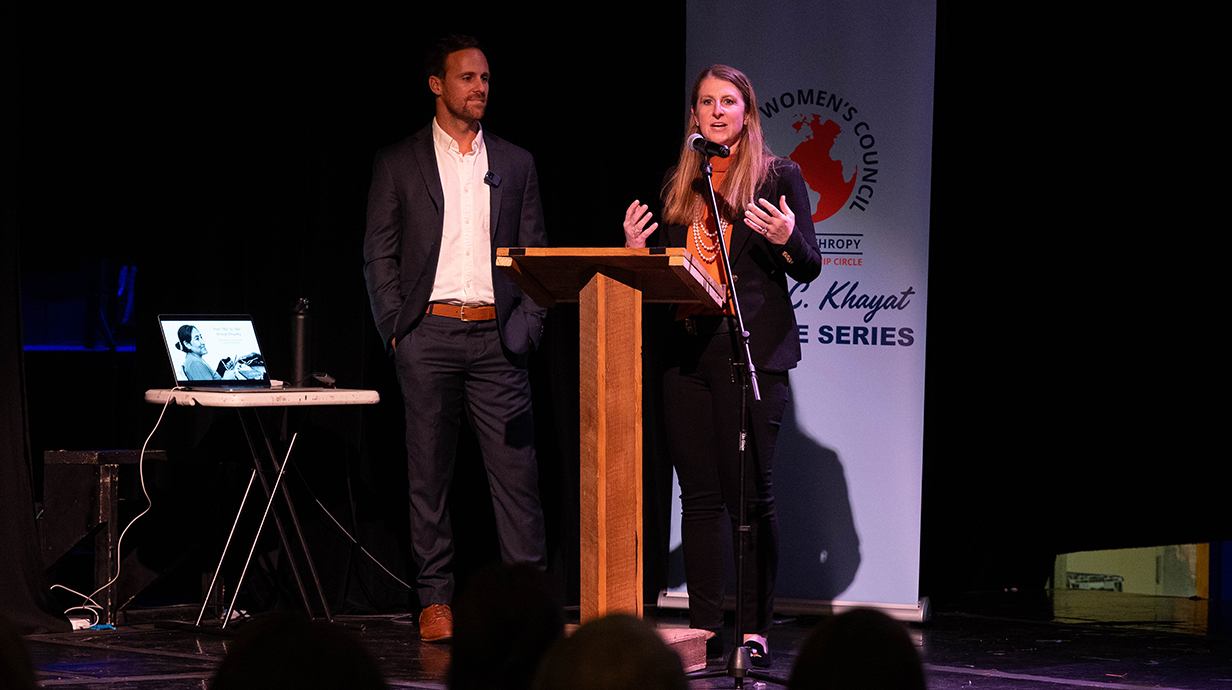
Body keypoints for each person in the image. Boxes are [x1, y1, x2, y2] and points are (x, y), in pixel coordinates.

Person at [622, 64, 822, 668]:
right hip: (686, 353)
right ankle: (707, 629)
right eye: (705, 102)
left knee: (750, 497)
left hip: (749, 352)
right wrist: (637, 256)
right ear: (694, 115)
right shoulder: (681, 181)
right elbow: (668, 272)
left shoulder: (778, 174)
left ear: (746, 112)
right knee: (700, 500)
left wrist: (787, 236)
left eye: (727, 101)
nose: (715, 111)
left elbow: (808, 264)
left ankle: (755, 630)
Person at [362, 34, 548, 644]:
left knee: (516, 480)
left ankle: (528, 603)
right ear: (437, 84)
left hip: (498, 338)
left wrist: (529, 324)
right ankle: (436, 600)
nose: (481, 89)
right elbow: (378, 254)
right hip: (429, 335)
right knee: (429, 478)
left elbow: (534, 257)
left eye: (487, 78)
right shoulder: (399, 160)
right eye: (468, 78)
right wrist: (397, 330)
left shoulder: (515, 162)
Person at [174, 324, 244, 380]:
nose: (203, 342)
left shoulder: (194, 358)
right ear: (187, 344)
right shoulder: (195, 363)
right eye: (197, 339)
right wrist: (227, 379)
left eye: (201, 337)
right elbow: (209, 392)